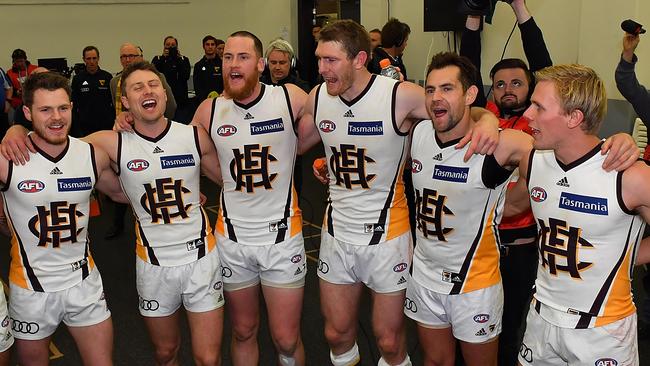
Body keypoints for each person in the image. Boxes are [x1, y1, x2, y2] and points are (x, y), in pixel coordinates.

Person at [300, 19, 503, 366]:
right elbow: (295, 144)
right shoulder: (319, 97)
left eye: (330, 60)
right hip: (336, 231)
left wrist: (487, 121)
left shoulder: (399, 95)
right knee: (335, 334)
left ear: (359, 59)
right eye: (319, 59)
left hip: (387, 236)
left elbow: (456, 114)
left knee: (389, 341)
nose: (321, 69)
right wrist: (328, 165)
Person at [83, 61, 225, 366]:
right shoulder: (113, 142)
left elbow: (232, 181)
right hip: (153, 264)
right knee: (165, 352)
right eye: (137, 87)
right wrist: (15, 130)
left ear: (164, 92)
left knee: (208, 358)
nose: (147, 90)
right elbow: (57, 151)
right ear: (124, 102)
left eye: (153, 84)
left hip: (201, 259)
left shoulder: (193, 136)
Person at [407, 51, 537, 366]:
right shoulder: (421, 131)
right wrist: (486, 115)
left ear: (469, 94)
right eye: (430, 89)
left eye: (447, 89)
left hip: (473, 285)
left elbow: (549, 154)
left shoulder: (495, 145)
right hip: (424, 276)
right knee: (435, 361)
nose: (436, 98)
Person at [517, 64, 650, 366]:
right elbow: (473, 123)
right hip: (541, 320)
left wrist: (626, 257)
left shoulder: (628, 175)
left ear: (574, 117)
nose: (528, 114)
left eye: (538, 107)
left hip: (602, 330)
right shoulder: (533, 161)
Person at [192, 30, 310, 366]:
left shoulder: (288, 97)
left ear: (259, 64)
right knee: (243, 330)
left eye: (242, 57)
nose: (232, 64)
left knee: (287, 339)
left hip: (282, 238)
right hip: (232, 239)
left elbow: (341, 112)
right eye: (227, 57)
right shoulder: (210, 110)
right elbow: (182, 149)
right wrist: (123, 119)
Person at [0, 71, 127, 366]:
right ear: (28, 112)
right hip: (30, 288)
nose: (56, 118)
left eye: (62, 108)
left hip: (83, 282)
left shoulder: (90, 155)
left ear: (71, 107)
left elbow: (123, 193)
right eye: (45, 110)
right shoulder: (9, 159)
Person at [460, 2, 552, 363]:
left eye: (517, 83)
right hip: (481, 245)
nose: (508, 89)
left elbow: (545, 64)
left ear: (532, 87)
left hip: (521, 247)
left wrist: (519, 7)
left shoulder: (539, 125)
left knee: (512, 327)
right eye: (500, 84)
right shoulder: (485, 116)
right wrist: (473, 12)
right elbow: (467, 62)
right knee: (470, 326)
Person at [106, 42, 176, 239]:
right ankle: (118, 225)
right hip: (125, 138)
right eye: (124, 57)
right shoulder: (115, 82)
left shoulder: (157, 78)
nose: (128, 60)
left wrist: (152, 122)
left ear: (140, 56)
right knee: (124, 182)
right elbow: (118, 108)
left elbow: (170, 106)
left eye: (132, 56)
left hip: (153, 138)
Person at [70, 46, 115, 137]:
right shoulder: (78, 79)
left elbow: (112, 103)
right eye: (88, 58)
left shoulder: (107, 77)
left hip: (105, 126)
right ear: (84, 59)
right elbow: (74, 106)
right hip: (84, 127)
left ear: (98, 58)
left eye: (94, 58)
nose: (91, 61)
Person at [152, 36, 192, 123]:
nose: (170, 47)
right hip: (163, 101)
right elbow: (154, 74)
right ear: (163, 46)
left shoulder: (183, 60)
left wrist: (178, 59)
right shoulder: (158, 59)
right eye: (168, 45)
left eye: (173, 45)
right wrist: (163, 58)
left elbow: (185, 75)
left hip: (180, 101)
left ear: (177, 47)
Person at [193, 35, 224, 104]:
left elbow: (226, 83)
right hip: (204, 102)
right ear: (203, 46)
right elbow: (197, 87)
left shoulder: (223, 64)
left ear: (215, 47)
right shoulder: (198, 66)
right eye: (207, 44)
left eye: (212, 44)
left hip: (221, 101)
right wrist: (204, 100)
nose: (210, 47)